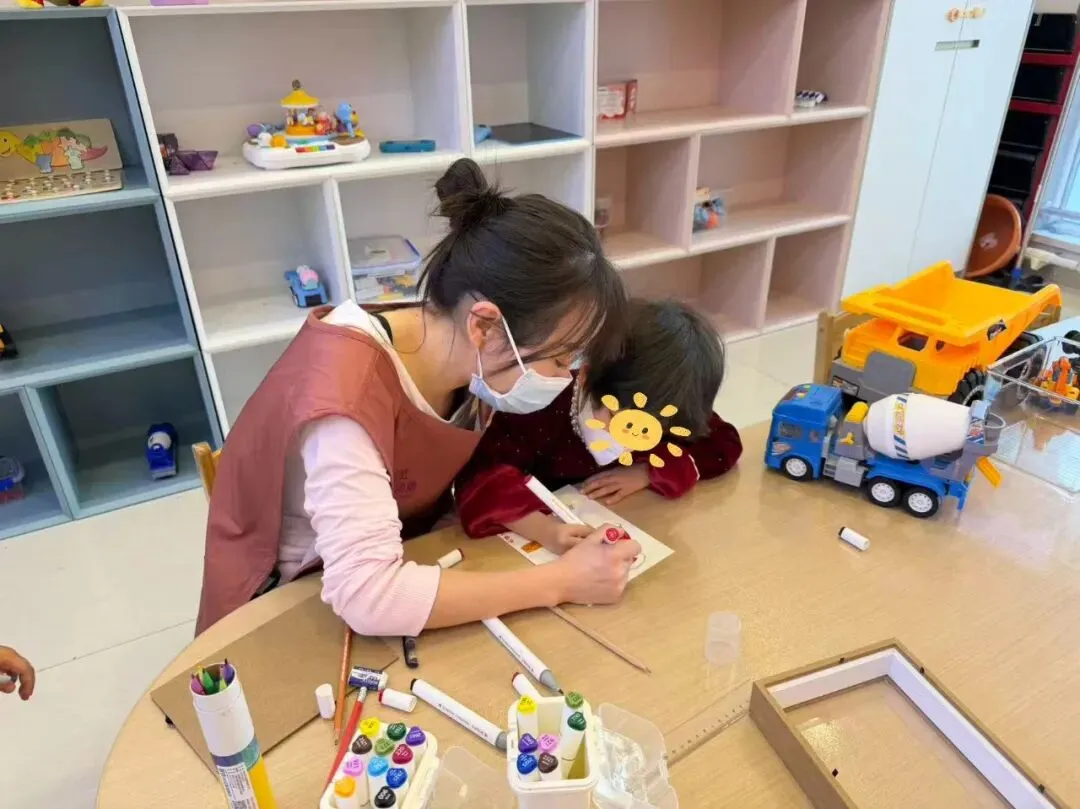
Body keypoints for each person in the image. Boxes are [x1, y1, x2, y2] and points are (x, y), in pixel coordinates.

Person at [195, 158, 639, 637]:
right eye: (560, 357)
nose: (565, 377)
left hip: (399, 557)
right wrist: (562, 582)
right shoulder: (346, 396)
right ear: (485, 325)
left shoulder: (459, 350)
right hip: (287, 602)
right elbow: (368, 597)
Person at [456, 298, 743, 551]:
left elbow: (724, 442)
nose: (633, 440)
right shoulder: (540, 407)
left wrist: (649, 472)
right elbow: (478, 484)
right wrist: (545, 531)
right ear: (585, 376)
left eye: (652, 430)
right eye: (620, 421)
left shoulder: (666, 406)